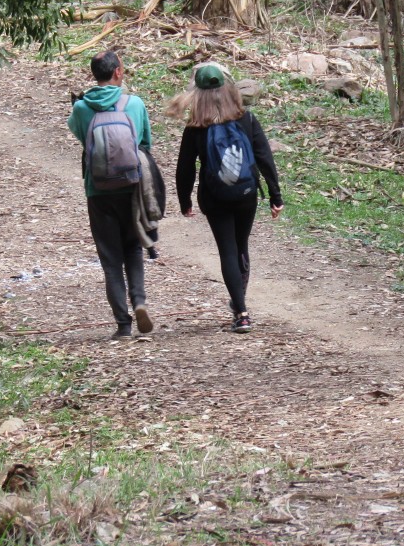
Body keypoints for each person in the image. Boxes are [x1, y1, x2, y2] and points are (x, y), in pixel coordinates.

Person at [172, 62, 282, 333]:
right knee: (241, 246)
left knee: (227, 251)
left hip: (214, 196)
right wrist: (275, 196)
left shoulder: (195, 126)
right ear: (226, 88)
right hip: (246, 194)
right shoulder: (246, 118)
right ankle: (239, 300)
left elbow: (184, 169)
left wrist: (184, 201)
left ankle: (242, 312)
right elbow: (264, 157)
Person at [68, 50, 155, 339]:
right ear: (118, 71)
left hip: (98, 189)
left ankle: (123, 323)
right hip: (132, 186)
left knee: (110, 258)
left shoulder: (81, 108)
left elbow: (83, 139)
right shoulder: (135, 104)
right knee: (133, 247)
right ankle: (140, 301)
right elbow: (144, 143)